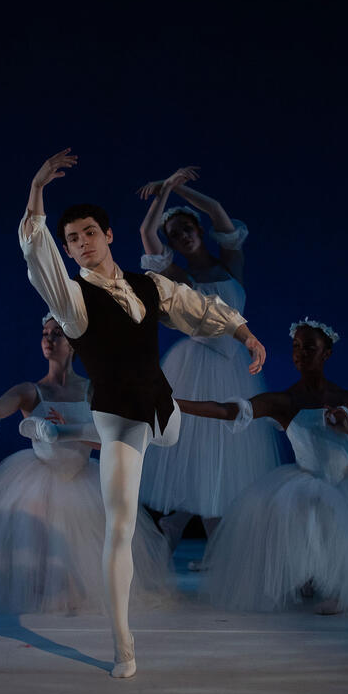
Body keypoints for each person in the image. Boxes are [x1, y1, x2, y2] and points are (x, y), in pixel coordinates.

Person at [18, 148, 267, 678]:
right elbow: (38, 257)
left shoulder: (151, 284)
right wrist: (38, 193)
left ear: (109, 235)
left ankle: (90, 429)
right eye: (72, 239)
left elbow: (198, 309)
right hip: (121, 418)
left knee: (171, 430)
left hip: (161, 405)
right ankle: (123, 643)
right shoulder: (73, 300)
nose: (81, 244)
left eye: (89, 233)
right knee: (121, 526)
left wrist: (244, 334)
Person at [0, 315, 171, 614]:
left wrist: (73, 430)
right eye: (45, 333)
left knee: (84, 548)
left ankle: (78, 594)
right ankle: (40, 593)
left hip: (83, 477)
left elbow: (112, 440)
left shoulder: (93, 390)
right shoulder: (30, 392)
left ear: (74, 343)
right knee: (41, 545)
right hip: (38, 477)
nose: (48, 340)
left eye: (57, 334)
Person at [177, 319, 348, 616]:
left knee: (336, 520)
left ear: (326, 353)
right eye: (296, 347)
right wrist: (174, 403)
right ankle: (306, 577)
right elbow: (226, 410)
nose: (300, 353)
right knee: (306, 513)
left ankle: (336, 585)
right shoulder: (285, 401)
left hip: (343, 483)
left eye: (309, 347)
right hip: (303, 482)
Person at [136, 167, 281, 546]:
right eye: (175, 236)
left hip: (233, 366)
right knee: (197, 451)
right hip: (195, 365)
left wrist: (181, 189)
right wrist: (165, 191)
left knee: (225, 453)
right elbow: (146, 235)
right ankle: (198, 534)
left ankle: (178, 528)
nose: (182, 237)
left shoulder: (231, 261)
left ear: (199, 231)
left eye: (187, 229)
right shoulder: (179, 278)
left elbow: (216, 209)